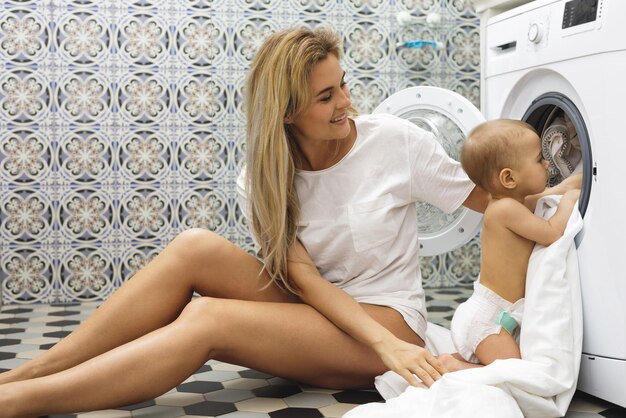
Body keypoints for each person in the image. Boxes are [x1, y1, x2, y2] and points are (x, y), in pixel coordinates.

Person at [0, 27, 490, 417]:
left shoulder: (395, 142)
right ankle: (30, 373)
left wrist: (554, 194)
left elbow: (489, 201)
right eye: (325, 97)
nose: (344, 102)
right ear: (286, 112)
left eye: (342, 84)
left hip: (387, 326)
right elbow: (302, 279)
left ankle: (19, 402)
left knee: (208, 316)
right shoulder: (262, 177)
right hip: (313, 307)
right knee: (195, 246)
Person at [445, 119, 581, 369]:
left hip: (492, 318)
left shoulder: (513, 202)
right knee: (516, 373)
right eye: (540, 159)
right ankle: (449, 369)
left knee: (504, 370)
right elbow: (551, 232)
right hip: (486, 322)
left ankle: (444, 363)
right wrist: (568, 203)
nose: (547, 163)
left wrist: (579, 181)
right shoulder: (505, 209)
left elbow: (556, 189)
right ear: (509, 178)